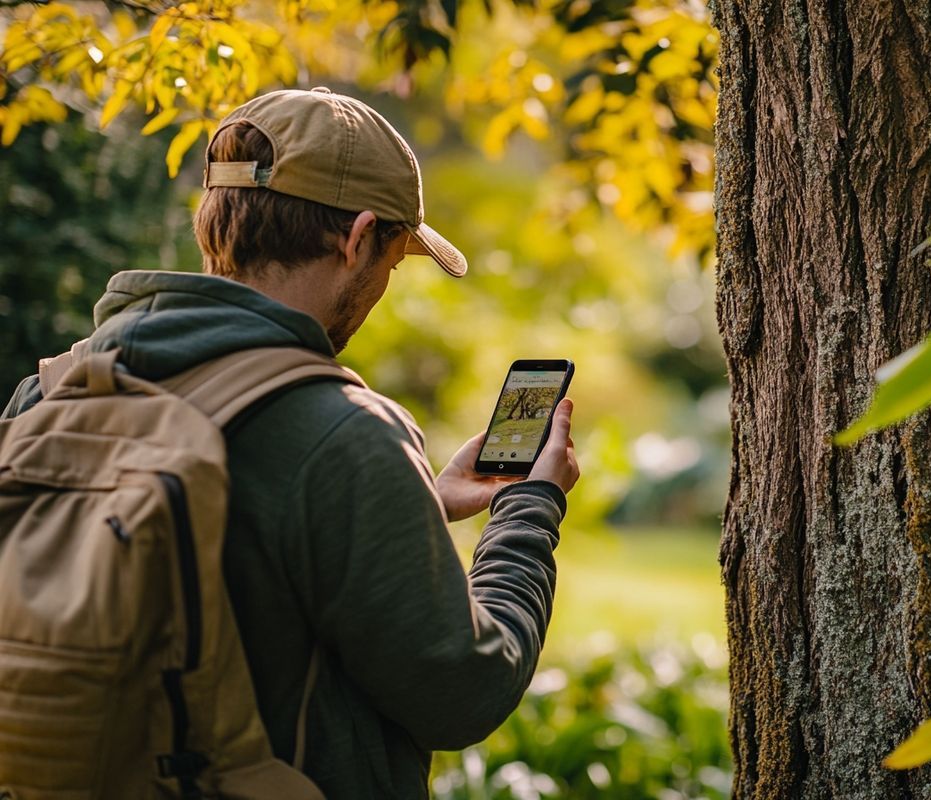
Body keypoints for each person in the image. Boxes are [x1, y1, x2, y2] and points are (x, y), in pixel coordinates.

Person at [1, 87, 579, 798]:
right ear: (358, 237)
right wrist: (530, 507)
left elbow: (226, 550)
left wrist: (414, 501)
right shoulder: (342, 434)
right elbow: (464, 690)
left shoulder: (53, 392)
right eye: (392, 264)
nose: (379, 290)